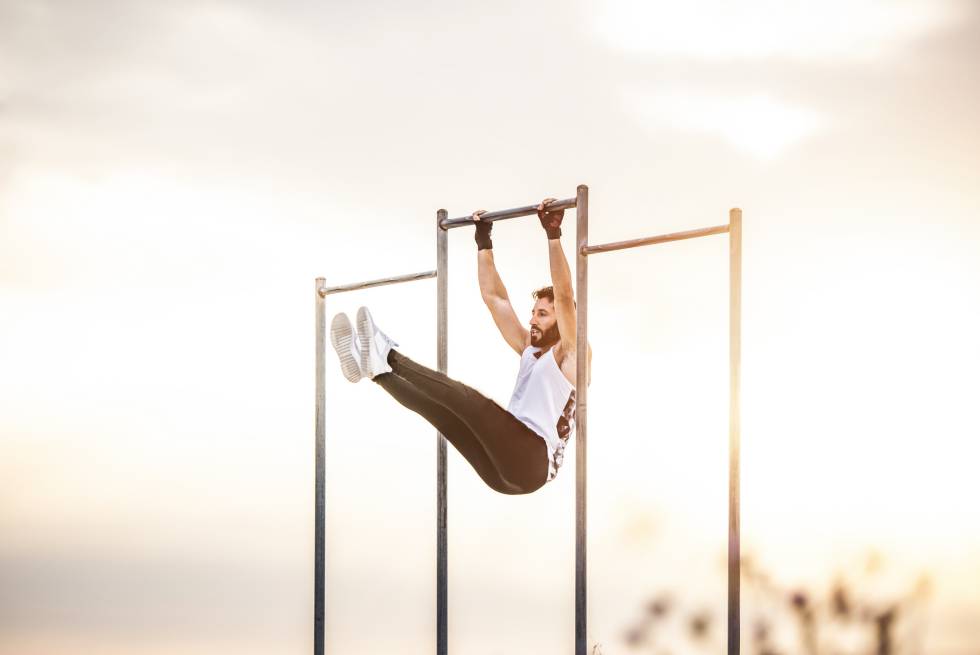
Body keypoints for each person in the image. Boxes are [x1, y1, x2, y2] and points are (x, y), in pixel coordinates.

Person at [330, 198, 593, 495]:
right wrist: (484, 242)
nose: (532, 320)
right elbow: (496, 299)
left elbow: (564, 292)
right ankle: (378, 372)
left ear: (562, 319)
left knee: (468, 401)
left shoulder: (570, 354)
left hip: (533, 460)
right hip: (502, 473)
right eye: (533, 312)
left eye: (542, 314)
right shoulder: (529, 350)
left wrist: (553, 234)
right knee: (445, 415)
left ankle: (387, 354)